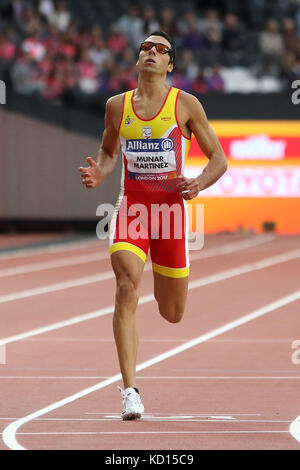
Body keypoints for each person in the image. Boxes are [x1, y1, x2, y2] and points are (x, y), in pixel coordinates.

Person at [79, 31, 227, 420]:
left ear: (170, 64)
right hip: (132, 209)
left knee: (172, 311)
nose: (151, 52)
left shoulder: (186, 104)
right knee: (126, 287)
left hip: (170, 214)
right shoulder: (117, 106)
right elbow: (109, 151)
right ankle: (130, 391)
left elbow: (219, 160)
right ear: (138, 58)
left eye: (161, 50)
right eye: (146, 47)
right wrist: (101, 173)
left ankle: (165, 295)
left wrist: (197, 182)